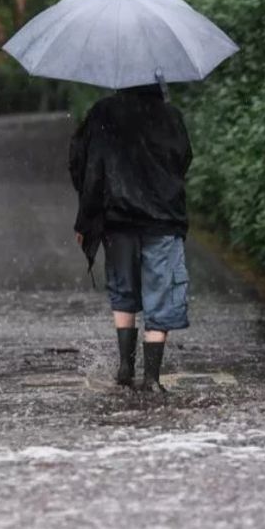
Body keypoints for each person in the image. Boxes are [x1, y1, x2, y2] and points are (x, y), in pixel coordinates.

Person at [69, 82, 192, 392]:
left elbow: (86, 167)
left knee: (123, 288)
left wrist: (86, 221)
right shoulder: (171, 116)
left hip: (118, 219)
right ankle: (151, 378)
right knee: (161, 291)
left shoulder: (103, 112)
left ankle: (125, 365)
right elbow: (184, 160)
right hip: (163, 219)